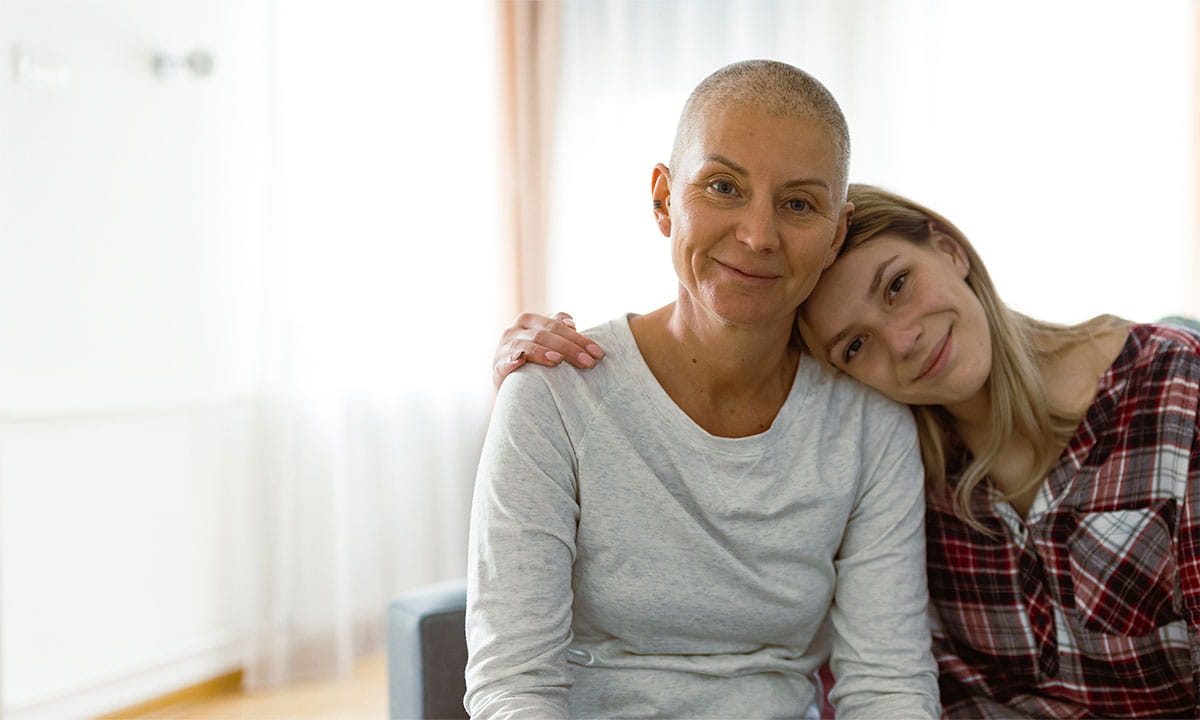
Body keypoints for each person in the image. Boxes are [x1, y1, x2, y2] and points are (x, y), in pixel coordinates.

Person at [497, 182, 1200, 719]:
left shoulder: (1174, 395)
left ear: (948, 248)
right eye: (855, 345)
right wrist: (537, 378)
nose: (903, 341)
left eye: (897, 286)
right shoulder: (886, 457)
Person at [466, 60, 940, 719]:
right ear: (664, 198)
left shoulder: (870, 428)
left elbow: (887, 687)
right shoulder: (552, 397)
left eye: (798, 203)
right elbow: (513, 686)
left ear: (836, 233)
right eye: (723, 186)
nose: (757, 234)